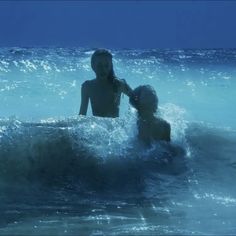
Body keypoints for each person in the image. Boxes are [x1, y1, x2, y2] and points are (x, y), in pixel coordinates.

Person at [79, 49, 132, 118]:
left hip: (115, 128)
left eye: (106, 65)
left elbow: (137, 100)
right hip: (98, 127)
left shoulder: (118, 84)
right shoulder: (87, 87)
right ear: (93, 66)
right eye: (99, 65)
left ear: (111, 66)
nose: (103, 69)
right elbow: (81, 116)